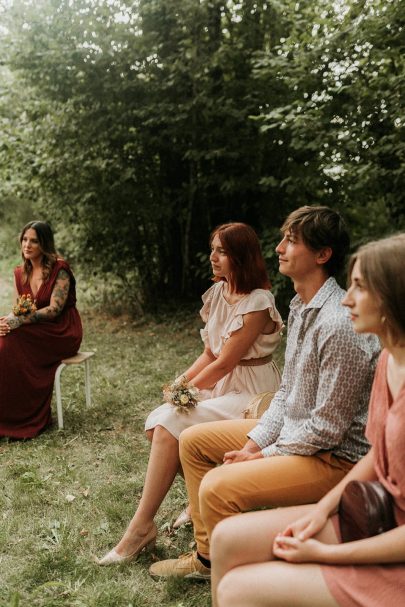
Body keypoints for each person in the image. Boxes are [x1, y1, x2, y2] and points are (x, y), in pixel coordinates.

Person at [149, 205, 381, 580]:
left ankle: (237, 572)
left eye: (292, 241)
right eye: (283, 238)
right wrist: (255, 444)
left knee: (218, 486)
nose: (278, 248)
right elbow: (287, 390)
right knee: (190, 441)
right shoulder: (301, 306)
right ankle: (208, 559)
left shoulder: (339, 324)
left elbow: (326, 431)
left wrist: (261, 455)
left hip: (335, 459)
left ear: (322, 255)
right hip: (297, 435)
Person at [210, 232, 405, 607]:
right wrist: (321, 512)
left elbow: (327, 430)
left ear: (394, 298)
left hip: (393, 551)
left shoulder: (340, 332)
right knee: (226, 540)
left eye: (360, 288)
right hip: (373, 511)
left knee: (239, 589)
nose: (346, 299)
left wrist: (325, 554)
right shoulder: (388, 361)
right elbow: (375, 454)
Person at [97, 222, 283, 565]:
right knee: (158, 425)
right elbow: (210, 353)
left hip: (252, 392)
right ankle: (200, 498)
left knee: (170, 424)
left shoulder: (258, 301)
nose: (213, 257)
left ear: (241, 256)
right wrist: (178, 385)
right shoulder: (217, 294)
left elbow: (227, 362)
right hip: (222, 383)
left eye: (222, 251)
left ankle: (140, 528)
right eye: (212, 249)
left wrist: (187, 392)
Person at [0, 220, 83, 439]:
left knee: (11, 339)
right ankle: (10, 415)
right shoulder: (21, 273)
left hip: (63, 330)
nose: (27, 245)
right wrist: (9, 320)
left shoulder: (60, 269)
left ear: (44, 244)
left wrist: (19, 321)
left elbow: (55, 309)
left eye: (34, 241)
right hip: (37, 330)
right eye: (25, 239)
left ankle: (28, 418)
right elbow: (22, 308)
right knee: (5, 339)